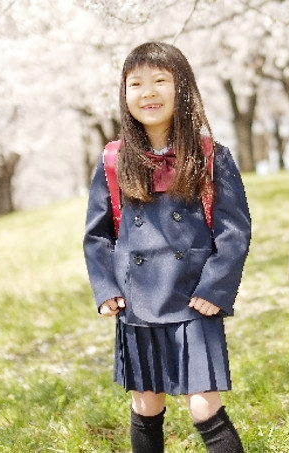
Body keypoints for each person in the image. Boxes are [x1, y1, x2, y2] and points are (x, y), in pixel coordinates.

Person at [83, 41, 251, 453]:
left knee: (204, 406)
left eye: (161, 80)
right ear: (124, 95)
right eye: (136, 83)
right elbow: (97, 234)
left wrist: (215, 289)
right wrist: (106, 289)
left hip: (194, 299)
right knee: (146, 403)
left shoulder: (211, 155)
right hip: (137, 303)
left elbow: (234, 230)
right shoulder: (113, 160)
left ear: (183, 88)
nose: (149, 92)